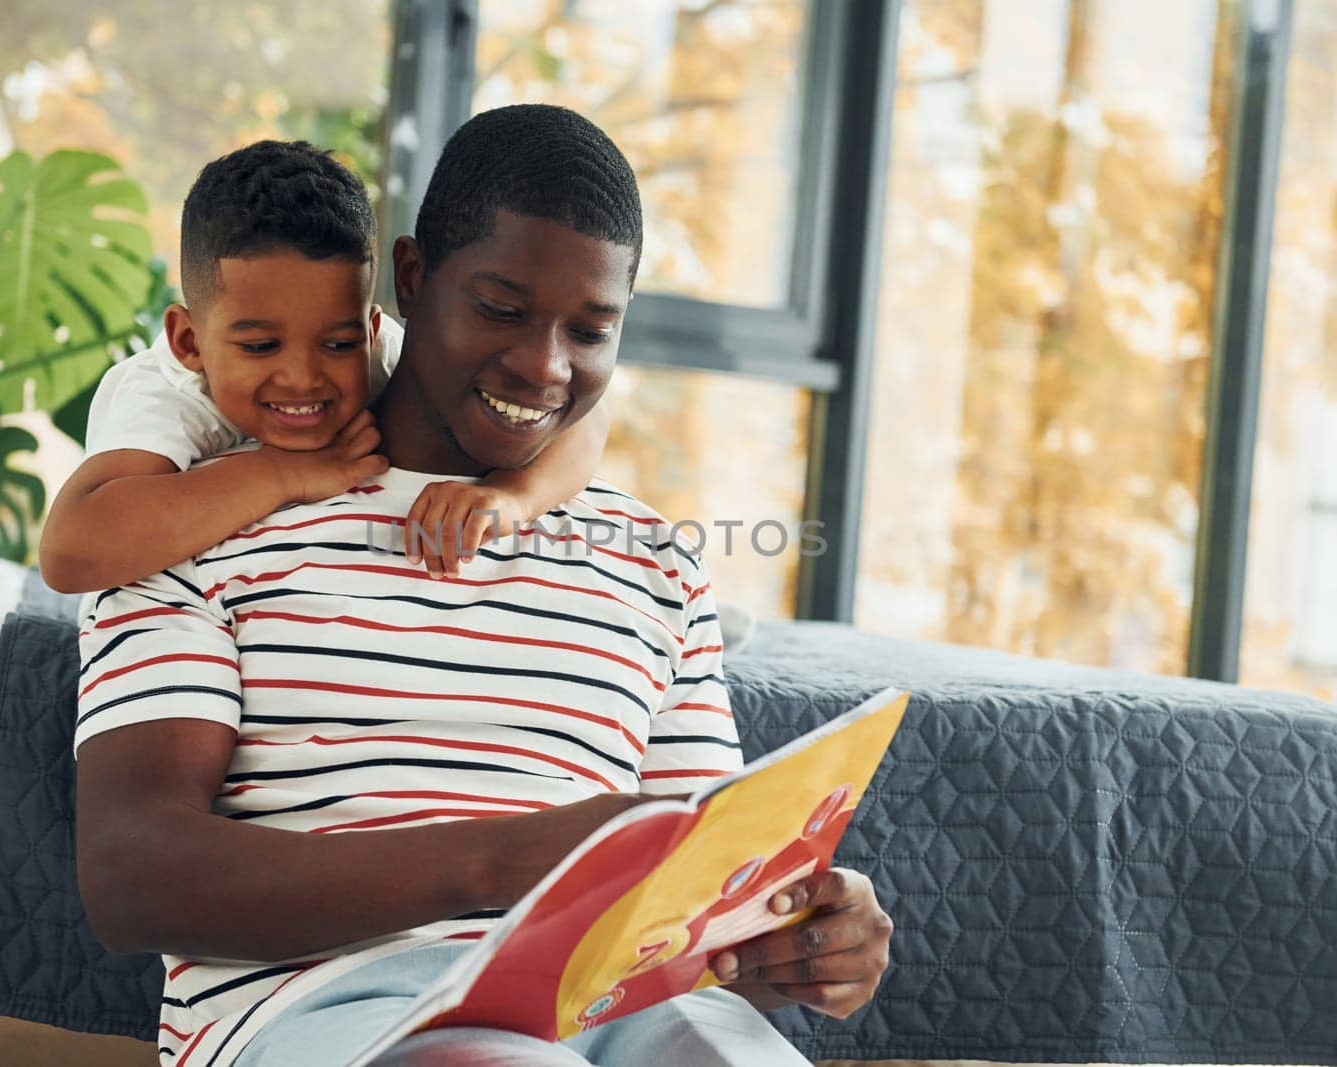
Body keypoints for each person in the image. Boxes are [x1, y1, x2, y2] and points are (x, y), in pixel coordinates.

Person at [73, 104, 892, 1067]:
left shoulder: (651, 558)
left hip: (623, 1014)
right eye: (501, 310)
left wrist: (797, 938)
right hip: (335, 1006)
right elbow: (131, 876)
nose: (545, 366)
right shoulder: (190, 517)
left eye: (590, 330)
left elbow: (698, 908)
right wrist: (505, 859)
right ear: (412, 282)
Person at [37, 140, 609, 592]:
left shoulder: (380, 350)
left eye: (336, 345)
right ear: (189, 341)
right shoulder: (169, 391)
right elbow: (69, 551)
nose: (303, 377)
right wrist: (281, 473)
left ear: (371, 327)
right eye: (260, 347)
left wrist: (516, 496)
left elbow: (585, 421)